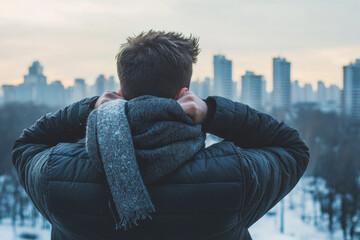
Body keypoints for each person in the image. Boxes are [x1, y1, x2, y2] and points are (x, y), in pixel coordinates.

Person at [12, 30, 309, 240]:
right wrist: (212, 112)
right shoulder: (234, 176)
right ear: (184, 94)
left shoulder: (57, 174)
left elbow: (27, 145)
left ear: (120, 93)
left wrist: (90, 108)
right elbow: (291, 148)